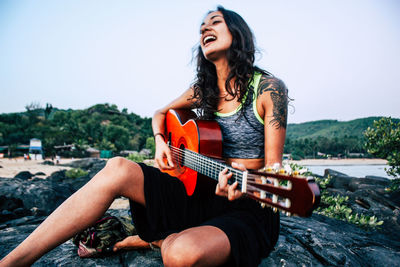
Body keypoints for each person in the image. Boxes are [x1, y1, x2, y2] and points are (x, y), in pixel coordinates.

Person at [0, 6, 288, 267]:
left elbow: (275, 171)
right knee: (117, 168)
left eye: (214, 22)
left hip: (247, 203)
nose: (204, 30)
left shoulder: (268, 89)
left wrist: (248, 184)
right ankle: (12, 262)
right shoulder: (204, 89)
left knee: (181, 255)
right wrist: (162, 142)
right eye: (201, 28)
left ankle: (157, 239)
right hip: (200, 193)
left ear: (237, 34)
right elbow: (160, 113)